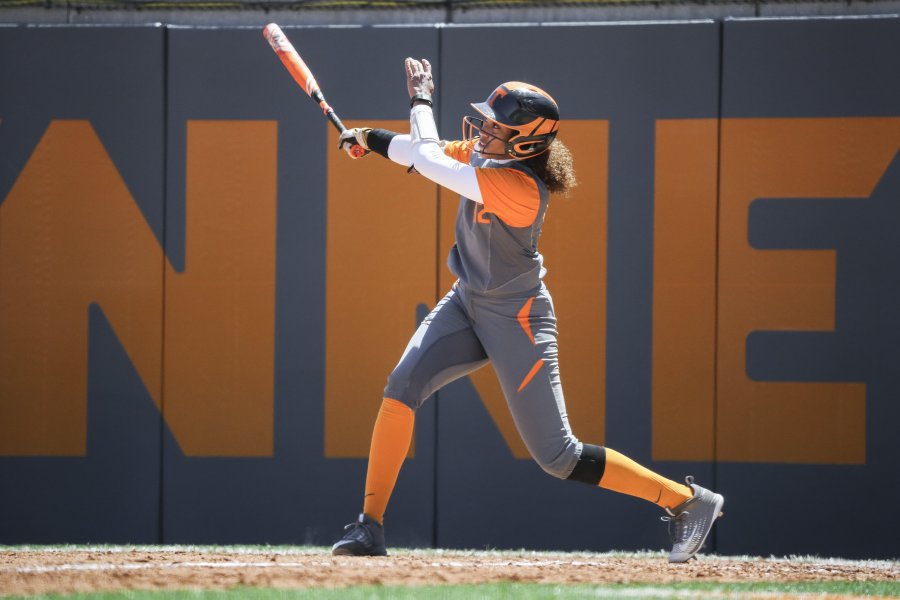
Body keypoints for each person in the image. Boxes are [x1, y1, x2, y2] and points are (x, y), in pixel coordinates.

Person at [331, 57, 724, 563]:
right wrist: (367, 137)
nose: (486, 131)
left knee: (559, 456)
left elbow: (429, 160)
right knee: (400, 387)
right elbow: (417, 152)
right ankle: (369, 527)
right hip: (467, 301)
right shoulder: (485, 156)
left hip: (517, 319)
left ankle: (687, 502)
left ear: (527, 142)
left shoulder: (521, 190)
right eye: (490, 122)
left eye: (500, 127)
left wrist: (421, 100)